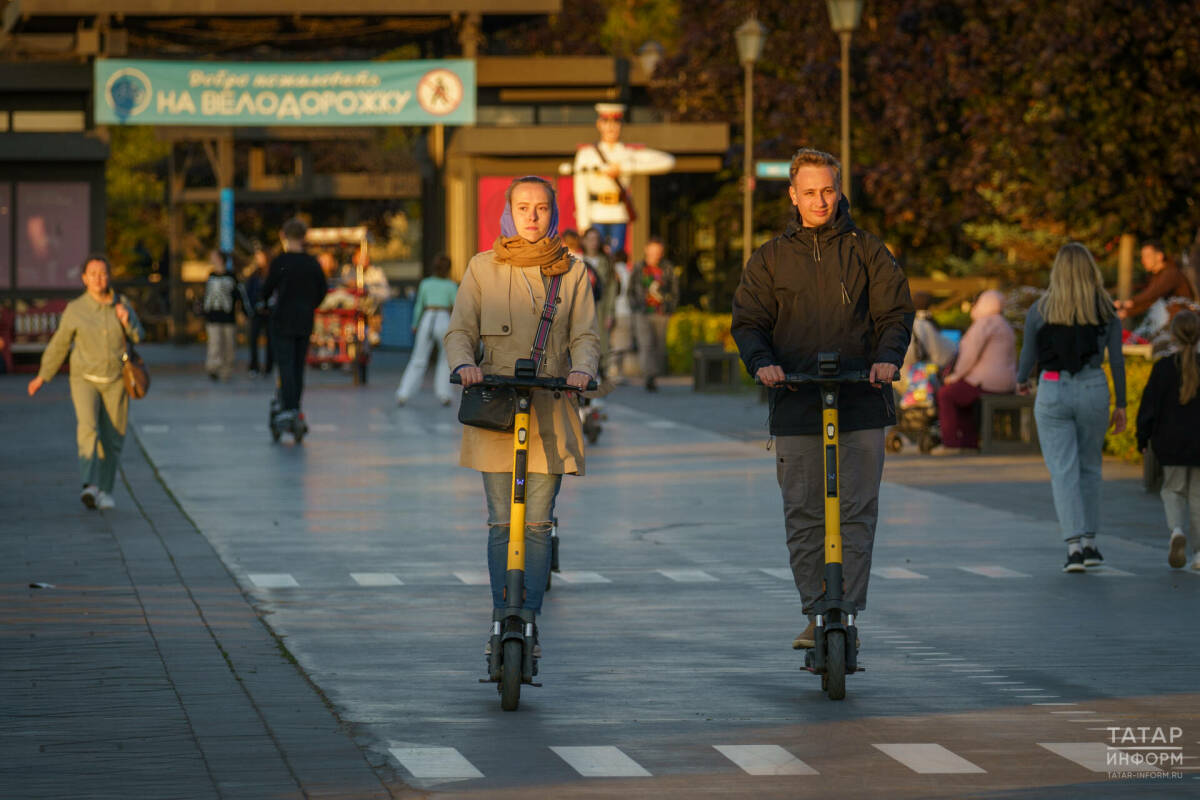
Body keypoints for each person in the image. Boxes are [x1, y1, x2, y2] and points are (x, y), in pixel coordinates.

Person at [731, 148, 913, 650]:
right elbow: (748, 322)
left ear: (839, 189)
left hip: (860, 396)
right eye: (809, 192)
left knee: (856, 511)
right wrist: (762, 363)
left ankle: (846, 610)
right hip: (796, 398)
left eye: (828, 190)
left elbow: (895, 313)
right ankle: (817, 610)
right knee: (805, 512)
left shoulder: (868, 251)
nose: (820, 201)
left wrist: (886, 359)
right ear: (793, 195)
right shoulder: (770, 258)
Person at [444, 175, 600, 654]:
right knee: (499, 522)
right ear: (509, 212)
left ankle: (526, 620)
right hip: (496, 410)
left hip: (550, 408)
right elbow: (459, 331)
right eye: (524, 207)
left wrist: (581, 370)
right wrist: (465, 364)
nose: (533, 217)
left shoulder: (572, 271)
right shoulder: (482, 267)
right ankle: (501, 617)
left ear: (555, 214)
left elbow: (586, 336)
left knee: (536, 523)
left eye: (542, 209)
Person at [1016, 242, 1126, 572]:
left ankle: (1074, 547)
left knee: (1063, 471)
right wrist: (1121, 403)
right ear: (1091, 271)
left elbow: (1028, 355)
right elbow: (1117, 360)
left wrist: (1022, 380)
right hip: (1093, 386)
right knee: (1091, 467)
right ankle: (1092, 544)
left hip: (1052, 387)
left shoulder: (1041, 309)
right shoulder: (1106, 311)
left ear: (1057, 272)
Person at [27, 255, 144, 511]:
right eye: (93, 274)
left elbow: (139, 335)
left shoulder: (121, 303)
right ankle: (89, 484)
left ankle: (105, 490)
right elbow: (60, 343)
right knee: (89, 428)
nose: (98, 278)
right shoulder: (76, 309)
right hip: (84, 379)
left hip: (116, 380)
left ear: (109, 276)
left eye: (103, 273)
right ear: (84, 279)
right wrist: (42, 376)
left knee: (113, 438)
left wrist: (127, 320)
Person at [1135, 310, 1200, 571]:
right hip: (1199, 444)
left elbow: (1148, 407)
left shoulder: (1163, 368)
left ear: (1173, 335)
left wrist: (1143, 437)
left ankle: (1176, 531)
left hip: (1170, 443)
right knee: (1198, 495)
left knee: (1172, 490)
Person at [572, 103, 675, 255]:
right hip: (595, 213)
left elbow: (667, 162)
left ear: (621, 125)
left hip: (618, 213)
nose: (611, 128)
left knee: (617, 259)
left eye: (615, 123)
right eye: (606, 122)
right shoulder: (587, 154)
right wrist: (583, 223)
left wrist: (623, 168)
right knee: (594, 259)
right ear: (599, 124)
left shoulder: (627, 153)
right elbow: (580, 190)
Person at [261, 218, 327, 428]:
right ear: (304, 237)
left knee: (285, 365)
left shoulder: (280, 262)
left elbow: (267, 289)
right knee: (299, 365)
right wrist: (310, 304)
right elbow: (322, 290)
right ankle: (296, 406)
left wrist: (263, 303)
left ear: (284, 236)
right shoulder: (312, 263)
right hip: (305, 319)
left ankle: (287, 407)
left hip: (282, 319)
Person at [935, 290, 1017, 449]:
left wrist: (956, 376)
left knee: (946, 394)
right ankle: (968, 442)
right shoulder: (1005, 325)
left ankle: (951, 443)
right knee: (962, 395)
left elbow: (969, 355)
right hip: (1007, 384)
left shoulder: (984, 323)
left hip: (986, 383)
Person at [395, 254, 458, 407]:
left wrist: (415, 323)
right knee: (445, 359)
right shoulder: (451, 285)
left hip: (427, 317)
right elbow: (456, 307)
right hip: (444, 318)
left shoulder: (426, 283)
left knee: (418, 358)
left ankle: (404, 393)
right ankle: (444, 394)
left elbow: (419, 305)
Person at [628, 236, 678, 391]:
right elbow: (630, 289)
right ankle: (649, 375)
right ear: (646, 250)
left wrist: (671, 307)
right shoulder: (638, 267)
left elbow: (674, 290)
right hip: (642, 311)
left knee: (659, 345)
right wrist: (634, 306)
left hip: (661, 312)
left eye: (658, 251)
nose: (655, 254)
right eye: (652, 250)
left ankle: (654, 373)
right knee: (646, 344)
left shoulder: (667, 268)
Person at [1116, 240, 1197, 323]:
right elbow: (1150, 301)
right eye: (1142, 256)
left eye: (1147, 256)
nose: (1143, 260)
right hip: (1174, 323)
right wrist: (1125, 313)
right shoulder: (1158, 275)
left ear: (1159, 256)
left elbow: (1152, 293)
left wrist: (1127, 303)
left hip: (1184, 324)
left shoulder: (1170, 274)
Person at [201, 249, 244, 381]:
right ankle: (213, 367)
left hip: (228, 316)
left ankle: (226, 370)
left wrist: (242, 311)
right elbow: (207, 296)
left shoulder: (231, 276)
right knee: (214, 343)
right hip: (213, 315)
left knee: (228, 344)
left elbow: (239, 296)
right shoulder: (211, 275)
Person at [243, 246, 273, 377]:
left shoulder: (272, 273)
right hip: (256, 311)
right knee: (253, 339)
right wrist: (251, 308)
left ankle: (268, 365)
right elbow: (248, 292)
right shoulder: (254, 275)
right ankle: (254, 365)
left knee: (270, 339)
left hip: (270, 311)